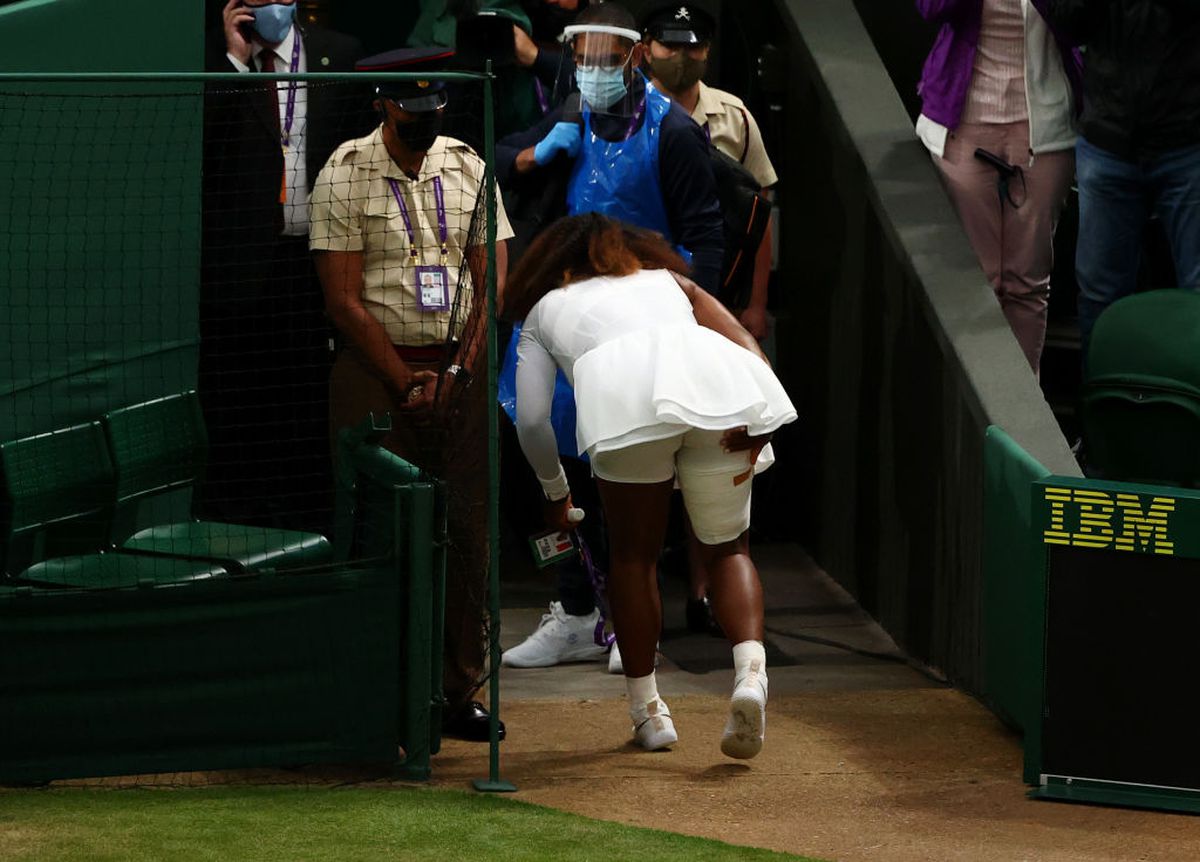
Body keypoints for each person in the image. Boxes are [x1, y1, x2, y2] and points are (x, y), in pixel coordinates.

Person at [506, 212, 797, 757]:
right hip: (719, 390)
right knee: (728, 548)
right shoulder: (671, 282)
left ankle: (650, 714)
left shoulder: (544, 309)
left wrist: (554, 492)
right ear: (629, 249)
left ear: (552, 264)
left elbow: (531, 421)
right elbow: (741, 339)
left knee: (633, 559)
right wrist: (765, 418)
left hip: (623, 403)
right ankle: (751, 675)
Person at [498, 2, 725, 672]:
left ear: (635, 55)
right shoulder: (574, 114)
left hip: (644, 324)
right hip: (572, 320)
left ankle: (631, 617)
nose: (595, 66)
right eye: (585, 53)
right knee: (554, 470)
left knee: (626, 474)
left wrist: (690, 323)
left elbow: (706, 237)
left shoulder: (675, 133)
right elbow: (506, 154)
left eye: (608, 53)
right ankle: (574, 609)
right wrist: (543, 151)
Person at [309, 47, 514, 742]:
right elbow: (342, 300)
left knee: (467, 534)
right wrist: (403, 380)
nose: (423, 120)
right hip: (375, 372)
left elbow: (491, 286)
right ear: (383, 105)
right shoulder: (344, 171)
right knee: (381, 530)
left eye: (433, 108)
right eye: (410, 109)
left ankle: (458, 694)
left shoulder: (470, 168)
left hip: (460, 369)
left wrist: (457, 374)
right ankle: (380, 689)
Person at [641, 2, 781, 637]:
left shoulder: (733, 115)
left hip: (716, 302)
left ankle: (706, 590)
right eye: (672, 45)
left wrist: (752, 304)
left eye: (695, 46)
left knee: (721, 444)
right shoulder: (625, 112)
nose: (685, 55)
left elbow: (759, 212)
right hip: (645, 302)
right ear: (647, 48)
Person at [201, 0, 368, 532]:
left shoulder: (338, 54)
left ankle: (303, 520)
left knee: (303, 397)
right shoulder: (218, 62)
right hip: (245, 264)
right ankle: (239, 520)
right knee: (241, 397)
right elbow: (207, 144)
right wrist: (235, 61)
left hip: (314, 257)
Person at [915, 0, 1081, 376]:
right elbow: (930, 8)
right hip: (964, 124)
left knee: (1027, 282)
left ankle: (1023, 410)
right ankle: (976, 407)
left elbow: (1079, 24)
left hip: (1044, 125)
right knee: (980, 281)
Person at [1042, 0, 1200, 356]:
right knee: (1100, 295)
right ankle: (1102, 405)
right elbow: (1067, 23)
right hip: (1107, 143)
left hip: (1188, 141)